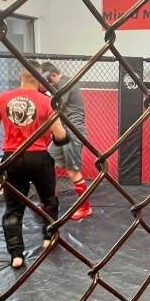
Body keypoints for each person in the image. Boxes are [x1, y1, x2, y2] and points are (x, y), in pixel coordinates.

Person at [0, 60, 70, 269]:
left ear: (20, 75)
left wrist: (7, 119)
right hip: (39, 157)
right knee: (48, 199)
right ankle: (48, 237)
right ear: (40, 78)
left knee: (13, 208)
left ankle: (16, 254)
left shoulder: (3, 98)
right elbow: (61, 136)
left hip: (11, 158)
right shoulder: (47, 101)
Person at [41, 62, 92, 220]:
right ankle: (49, 202)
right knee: (47, 161)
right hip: (62, 132)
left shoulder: (66, 83)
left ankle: (85, 208)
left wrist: (40, 95)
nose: (48, 84)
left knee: (72, 171)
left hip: (73, 132)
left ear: (54, 75)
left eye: (49, 81)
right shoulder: (59, 86)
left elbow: (57, 106)